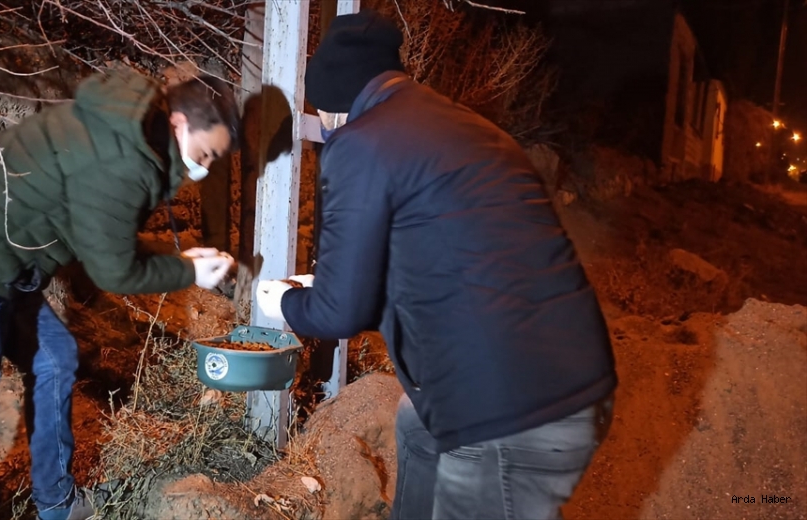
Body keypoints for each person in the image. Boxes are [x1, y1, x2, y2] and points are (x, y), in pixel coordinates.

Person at [255, 10, 616, 520]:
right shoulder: (471, 130)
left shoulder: (362, 142)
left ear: (334, 102)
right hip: (573, 376)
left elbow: (340, 313)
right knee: (416, 424)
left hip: (507, 409)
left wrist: (286, 302)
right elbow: (448, 262)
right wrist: (335, 283)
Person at [0, 68, 239, 520]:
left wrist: (183, 259)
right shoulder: (122, 162)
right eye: (207, 153)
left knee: (54, 358)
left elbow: (103, 238)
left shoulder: (120, 130)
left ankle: (57, 505)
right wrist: (188, 271)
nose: (205, 167)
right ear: (179, 123)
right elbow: (115, 271)